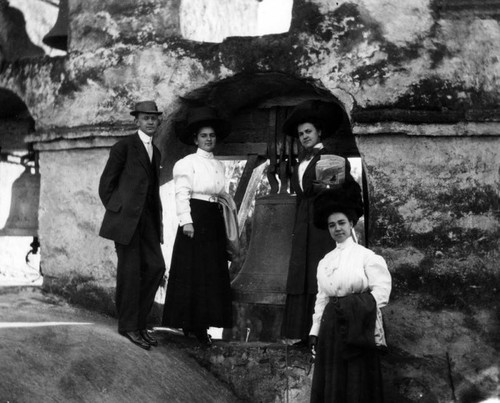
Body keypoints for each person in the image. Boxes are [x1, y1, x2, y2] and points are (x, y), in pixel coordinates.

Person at [281, 100, 359, 347]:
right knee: (303, 276)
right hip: (302, 227)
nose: (304, 136)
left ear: (319, 133)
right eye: (301, 133)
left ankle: (325, 335)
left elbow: (340, 194)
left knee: (321, 277)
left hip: (321, 229)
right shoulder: (299, 164)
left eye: (309, 132)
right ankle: (306, 334)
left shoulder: (330, 160)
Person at [308, 185, 392, 402]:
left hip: (358, 328)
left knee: (356, 382)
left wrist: (355, 307)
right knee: (333, 382)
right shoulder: (325, 261)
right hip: (331, 329)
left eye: (341, 223)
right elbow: (322, 298)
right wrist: (315, 331)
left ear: (351, 223)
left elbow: (382, 292)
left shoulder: (366, 257)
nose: (337, 228)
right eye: (332, 225)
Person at [162, 106, 233, 346]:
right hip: (196, 218)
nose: (209, 139)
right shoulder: (186, 163)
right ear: (195, 139)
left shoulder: (219, 166)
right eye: (204, 136)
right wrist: (187, 221)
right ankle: (189, 324)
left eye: (212, 135)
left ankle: (203, 324)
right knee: (193, 271)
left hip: (213, 219)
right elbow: (181, 193)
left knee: (210, 271)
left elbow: (220, 192)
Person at [98, 100, 166, 350]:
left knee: (156, 267)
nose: (150, 121)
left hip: (148, 222)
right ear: (136, 120)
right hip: (126, 222)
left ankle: (139, 323)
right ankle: (129, 326)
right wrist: (119, 211)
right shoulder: (124, 147)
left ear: (158, 122)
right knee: (130, 272)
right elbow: (106, 186)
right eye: (145, 117)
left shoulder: (155, 152)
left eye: (154, 118)